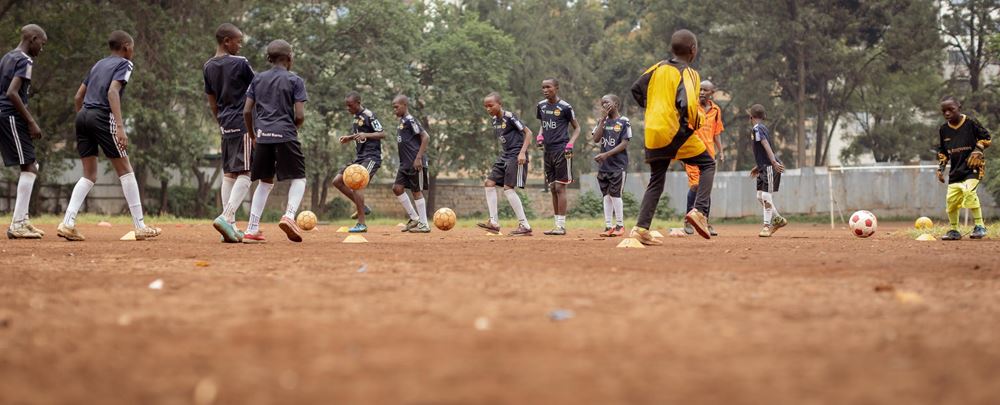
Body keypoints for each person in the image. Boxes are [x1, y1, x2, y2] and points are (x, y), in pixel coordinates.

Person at [58, 31, 161, 241]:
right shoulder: (124, 64)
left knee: (89, 175)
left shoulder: (98, 64)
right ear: (125, 47)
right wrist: (120, 127)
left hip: (83, 115)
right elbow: (113, 93)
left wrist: (84, 118)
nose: (133, 52)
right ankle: (140, 225)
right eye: (132, 47)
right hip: (103, 116)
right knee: (126, 170)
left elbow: (78, 96)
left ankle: (67, 223)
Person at [629, 29, 714, 245]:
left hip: (652, 131)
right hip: (674, 130)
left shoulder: (657, 67)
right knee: (707, 164)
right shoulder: (690, 73)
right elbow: (687, 104)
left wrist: (655, 109)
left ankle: (640, 228)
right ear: (693, 51)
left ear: (672, 49)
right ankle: (700, 212)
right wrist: (693, 124)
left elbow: (636, 89)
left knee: (657, 178)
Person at [239, 39, 308, 243]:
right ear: (288, 58)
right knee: (299, 177)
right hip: (286, 133)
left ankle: (251, 228)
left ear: (269, 58)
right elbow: (300, 115)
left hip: (263, 136)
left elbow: (247, 111)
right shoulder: (295, 80)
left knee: (265, 181)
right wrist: (291, 130)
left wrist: (253, 135)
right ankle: (289, 215)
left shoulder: (258, 79)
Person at [205, 23, 256, 243]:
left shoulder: (208, 66)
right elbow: (258, 89)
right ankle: (226, 217)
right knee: (246, 172)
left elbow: (212, 102)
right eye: (238, 40)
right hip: (243, 121)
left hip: (225, 123)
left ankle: (231, 226)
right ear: (227, 41)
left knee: (229, 174)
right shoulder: (240, 63)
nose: (240, 45)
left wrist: (222, 122)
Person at [0, 24, 46, 239]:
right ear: (33, 39)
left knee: (31, 164)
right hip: (11, 115)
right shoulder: (25, 60)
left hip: (6, 114)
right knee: (29, 165)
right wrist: (31, 121)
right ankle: (18, 224)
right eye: (41, 44)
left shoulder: (8, 56)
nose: (41, 49)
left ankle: (23, 219)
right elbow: (12, 92)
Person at [478, 92, 533, 236]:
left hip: (516, 154)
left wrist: (522, 153)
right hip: (505, 155)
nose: (488, 109)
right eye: (486, 107)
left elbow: (528, 133)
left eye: (491, 105)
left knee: (508, 188)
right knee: (489, 183)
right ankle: (494, 223)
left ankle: (525, 225)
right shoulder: (494, 121)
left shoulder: (510, 117)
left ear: (499, 104)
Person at [937, 96, 991, 240]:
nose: (947, 113)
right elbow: (942, 151)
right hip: (956, 171)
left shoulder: (971, 123)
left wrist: (978, 149)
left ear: (959, 108)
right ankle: (954, 230)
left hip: (972, 168)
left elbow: (987, 137)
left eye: (951, 109)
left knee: (969, 192)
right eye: (944, 111)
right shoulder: (943, 130)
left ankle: (980, 226)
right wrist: (941, 168)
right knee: (951, 201)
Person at [334, 92, 384, 233]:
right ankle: (364, 207)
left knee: (357, 183)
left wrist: (366, 135)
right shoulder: (356, 117)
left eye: (350, 105)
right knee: (337, 181)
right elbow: (360, 135)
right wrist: (349, 138)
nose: (348, 108)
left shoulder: (369, 115)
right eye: (346, 106)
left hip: (372, 157)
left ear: (358, 103)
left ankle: (361, 224)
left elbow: (382, 133)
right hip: (360, 157)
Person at [535, 78, 580, 235]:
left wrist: (570, 144)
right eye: (543, 87)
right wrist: (540, 136)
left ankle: (561, 226)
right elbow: (543, 124)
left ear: (556, 88)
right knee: (553, 188)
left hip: (562, 150)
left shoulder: (565, 107)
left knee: (560, 187)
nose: (545, 90)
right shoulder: (541, 106)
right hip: (548, 151)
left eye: (548, 87)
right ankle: (556, 225)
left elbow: (577, 128)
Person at [683, 80, 724, 236]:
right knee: (695, 186)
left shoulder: (716, 110)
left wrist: (721, 151)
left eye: (705, 90)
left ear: (712, 93)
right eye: (699, 89)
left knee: (705, 189)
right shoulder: (692, 107)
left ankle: (705, 221)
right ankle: (688, 219)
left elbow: (717, 132)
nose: (701, 92)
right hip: (693, 152)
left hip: (709, 155)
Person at [591, 94, 631, 237]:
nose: (604, 106)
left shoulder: (624, 121)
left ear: (616, 104)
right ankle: (608, 226)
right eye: (602, 104)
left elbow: (625, 143)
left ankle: (620, 225)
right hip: (604, 166)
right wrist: (602, 119)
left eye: (607, 103)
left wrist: (607, 154)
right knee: (606, 195)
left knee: (615, 194)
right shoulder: (602, 121)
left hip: (618, 165)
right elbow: (596, 138)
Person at [391, 95, 431, 233]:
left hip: (415, 162)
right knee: (397, 188)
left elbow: (425, 136)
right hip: (405, 164)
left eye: (396, 107)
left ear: (404, 105)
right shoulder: (402, 121)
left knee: (416, 191)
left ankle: (424, 224)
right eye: (393, 107)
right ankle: (414, 217)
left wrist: (418, 158)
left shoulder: (410, 120)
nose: (394, 110)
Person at [748, 104, 787, 237]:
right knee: (759, 196)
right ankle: (778, 220)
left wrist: (774, 162)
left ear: (750, 117)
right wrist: (758, 166)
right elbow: (763, 150)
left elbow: (765, 144)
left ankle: (766, 226)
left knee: (765, 195)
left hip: (770, 166)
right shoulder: (760, 128)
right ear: (764, 117)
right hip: (764, 166)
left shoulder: (757, 128)